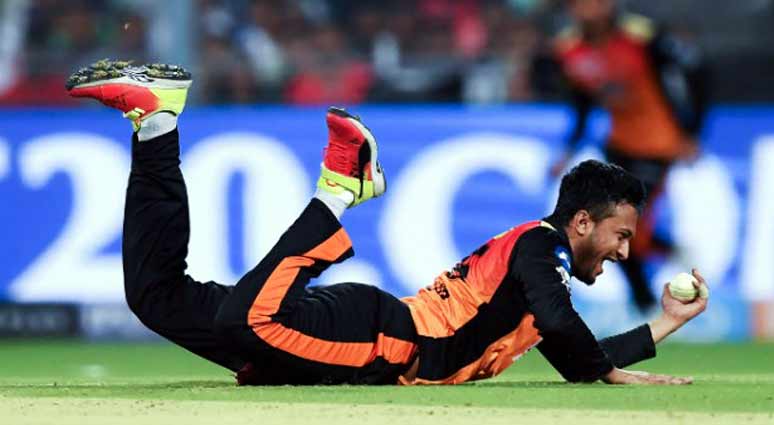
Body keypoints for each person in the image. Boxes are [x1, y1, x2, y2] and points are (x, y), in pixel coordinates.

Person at [66, 59, 708, 386]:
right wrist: (603, 370)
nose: (626, 251)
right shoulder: (542, 250)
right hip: (381, 339)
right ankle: (341, 189)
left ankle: (157, 124)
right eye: (621, 235)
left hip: (360, 331)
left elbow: (577, 354)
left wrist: (665, 324)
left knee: (156, 297)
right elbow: (570, 334)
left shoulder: (535, 287)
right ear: (581, 222)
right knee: (246, 320)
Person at [547, 0, 709, 313]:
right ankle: (651, 292)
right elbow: (582, 104)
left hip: (658, 144)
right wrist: (568, 149)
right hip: (618, 144)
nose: (589, 9)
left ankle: (645, 303)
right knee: (603, 229)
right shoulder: (568, 50)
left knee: (620, 229)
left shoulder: (642, 36)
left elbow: (696, 73)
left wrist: (691, 132)